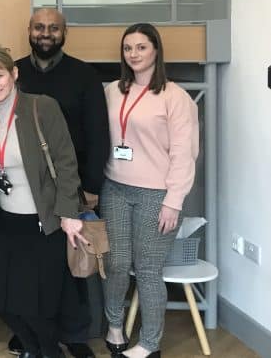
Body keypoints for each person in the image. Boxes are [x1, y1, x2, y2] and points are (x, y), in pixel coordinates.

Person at [0, 45, 86, 358]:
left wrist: (68, 213)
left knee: (37, 306)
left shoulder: (41, 107)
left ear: (14, 74)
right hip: (6, 224)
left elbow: (66, 163)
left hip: (42, 224)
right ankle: (33, 349)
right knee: (0, 300)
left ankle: (48, 352)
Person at [15, 8, 110, 358]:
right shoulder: (15, 73)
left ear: (64, 33)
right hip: (24, 188)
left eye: (53, 28)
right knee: (30, 265)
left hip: (72, 186)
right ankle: (32, 332)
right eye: (39, 27)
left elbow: (98, 133)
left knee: (71, 263)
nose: (46, 34)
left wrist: (91, 186)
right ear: (29, 30)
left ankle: (75, 335)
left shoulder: (84, 75)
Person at [102, 23, 199, 358]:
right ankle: (114, 326)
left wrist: (173, 202)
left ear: (156, 50)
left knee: (147, 270)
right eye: (128, 48)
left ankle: (149, 344)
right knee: (116, 264)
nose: (134, 54)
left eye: (141, 47)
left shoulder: (175, 97)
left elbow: (184, 154)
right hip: (115, 188)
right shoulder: (113, 91)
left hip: (156, 195)